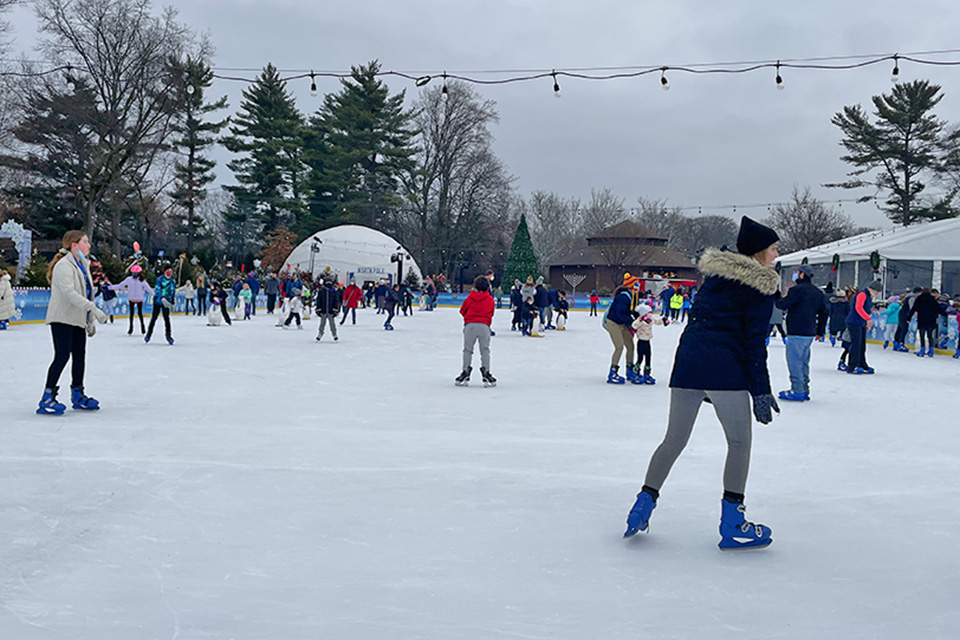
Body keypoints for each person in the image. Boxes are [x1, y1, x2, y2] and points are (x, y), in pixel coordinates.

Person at [623, 216, 781, 550]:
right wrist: (761, 390)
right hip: (726, 372)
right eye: (773, 249)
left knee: (673, 440)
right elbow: (755, 342)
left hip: (688, 366)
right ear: (758, 253)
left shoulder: (714, 277)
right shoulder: (762, 285)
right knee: (739, 444)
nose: (777, 254)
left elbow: (701, 322)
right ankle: (733, 523)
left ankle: (642, 504)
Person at [37, 230, 108, 414]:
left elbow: (85, 292)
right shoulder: (63, 266)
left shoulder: (82, 264)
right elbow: (70, 294)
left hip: (77, 318)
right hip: (62, 317)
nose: (89, 245)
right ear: (74, 245)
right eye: (85, 241)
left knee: (79, 355)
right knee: (62, 355)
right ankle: (47, 396)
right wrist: (93, 308)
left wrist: (88, 321)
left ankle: (78, 393)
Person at [775, 264, 828, 401]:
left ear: (802, 275)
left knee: (795, 362)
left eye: (797, 273)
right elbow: (823, 312)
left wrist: (776, 294)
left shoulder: (796, 290)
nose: (795, 275)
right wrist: (820, 330)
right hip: (809, 332)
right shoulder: (817, 292)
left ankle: (797, 390)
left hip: (796, 330)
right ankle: (804, 388)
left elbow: (782, 304)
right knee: (804, 361)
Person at [455, 276, 497, 387]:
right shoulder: (490, 299)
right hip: (484, 325)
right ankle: (486, 372)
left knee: (468, 350)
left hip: (470, 325)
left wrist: (469, 318)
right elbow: (491, 312)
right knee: (485, 350)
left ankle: (465, 371)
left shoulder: (470, 298)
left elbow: (462, 310)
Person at [603, 274, 641, 384]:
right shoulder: (622, 297)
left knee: (630, 346)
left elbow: (633, 311)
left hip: (623, 323)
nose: (638, 286)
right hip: (613, 323)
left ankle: (630, 370)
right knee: (619, 346)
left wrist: (640, 320)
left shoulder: (633, 296)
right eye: (636, 284)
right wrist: (632, 323)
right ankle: (612, 372)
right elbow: (620, 313)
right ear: (631, 285)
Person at [845, 280, 882, 374]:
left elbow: (866, 309)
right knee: (856, 344)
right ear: (872, 289)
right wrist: (868, 318)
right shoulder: (862, 294)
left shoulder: (868, 296)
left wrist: (866, 322)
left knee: (862, 345)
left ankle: (862, 363)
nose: (877, 293)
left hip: (861, 322)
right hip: (854, 321)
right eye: (877, 291)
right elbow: (858, 307)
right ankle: (852, 366)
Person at [111, 265, 152, 335]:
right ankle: (131, 328)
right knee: (131, 315)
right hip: (131, 299)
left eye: (136, 273)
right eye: (134, 273)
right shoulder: (129, 280)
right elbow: (121, 285)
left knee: (140, 314)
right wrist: (110, 287)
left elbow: (149, 289)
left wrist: (157, 295)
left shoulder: (142, 281)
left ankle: (143, 327)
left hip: (139, 299)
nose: (135, 275)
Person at [631, 302, 666, 384]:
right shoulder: (640, 321)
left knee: (648, 358)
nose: (650, 314)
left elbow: (657, 321)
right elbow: (634, 325)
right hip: (641, 342)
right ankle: (636, 372)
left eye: (651, 313)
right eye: (649, 313)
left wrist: (663, 320)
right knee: (640, 358)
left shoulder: (651, 320)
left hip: (647, 342)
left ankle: (647, 374)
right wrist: (640, 320)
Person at [908, 287, 946, 357]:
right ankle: (931, 350)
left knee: (922, 335)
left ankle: (922, 350)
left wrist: (908, 318)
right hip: (931, 320)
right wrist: (945, 314)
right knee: (930, 335)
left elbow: (913, 309)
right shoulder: (932, 300)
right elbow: (938, 308)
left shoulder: (919, 299)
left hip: (922, 319)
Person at [145, 263, 176, 344]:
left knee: (166, 318)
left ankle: (168, 336)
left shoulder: (172, 281)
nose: (169, 272)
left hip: (167, 303)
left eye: (170, 271)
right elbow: (157, 290)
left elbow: (172, 292)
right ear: (165, 271)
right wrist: (162, 298)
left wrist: (172, 302)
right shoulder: (160, 279)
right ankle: (149, 334)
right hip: (158, 301)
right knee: (154, 317)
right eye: (168, 271)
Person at [893, 287, 921, 352]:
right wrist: (916, 316)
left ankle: (896, 343)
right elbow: (912, 308)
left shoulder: (908, 296)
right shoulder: (912, 298)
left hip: (902, 313)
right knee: (904, 329)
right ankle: (900, 344)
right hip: (905, 315)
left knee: (900, 328)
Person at [826, 281, 849, 347]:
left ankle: (833, 338)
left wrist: (831, 315)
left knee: (833, 330)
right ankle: (842, 338)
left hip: (834, 318)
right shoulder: (846, 303)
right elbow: (848, 311)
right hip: (843, 319)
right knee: (843, 329)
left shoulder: (833, 302)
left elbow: (830, 310)